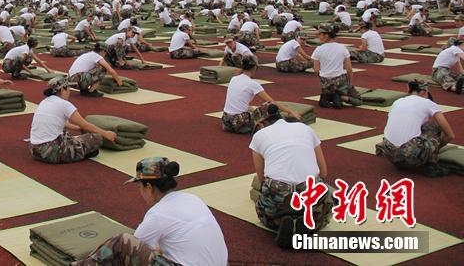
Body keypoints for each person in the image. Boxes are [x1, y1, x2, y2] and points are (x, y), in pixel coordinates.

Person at [75, 157, 228, 266]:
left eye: (140, 187)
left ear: (148, 188)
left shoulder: (159, 213)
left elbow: (132, 251)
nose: (140, 192)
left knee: (123, 243)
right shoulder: (193, 198)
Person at [249, 105, 333, 249]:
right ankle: (308, 221)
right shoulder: (306, 129)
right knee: (327, 210)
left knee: (263, 210)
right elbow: (324, 172)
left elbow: (261, 177)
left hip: (279, 190)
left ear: (260, 124)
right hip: (309, 188)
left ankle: (281, 221)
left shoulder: (259, 136)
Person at [376, 80, 455, 176]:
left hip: (389, 154)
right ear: (424, 92)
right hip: (409, 157)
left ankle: (402, 157)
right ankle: (431, 165)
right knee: (433, 127)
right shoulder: (428, 103)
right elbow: (450, 135)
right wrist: (434, 149)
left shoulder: (397, 102)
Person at [29, 77, 117, 163]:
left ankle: (77, 151)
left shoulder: (44, 102)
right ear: (63, 90)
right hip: (51, 153)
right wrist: (106, 134)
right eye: (68, 88)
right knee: (96, 138)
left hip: (35, 150)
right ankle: (78, 154)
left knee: (65, 133)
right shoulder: (64, 104)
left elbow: (60, 123)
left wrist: (77, 128)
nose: (69, 91)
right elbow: (85, 125)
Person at [222, 56, 300, 133]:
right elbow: (271, 101)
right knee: (270, 106)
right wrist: (290, 111)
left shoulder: (234, 79)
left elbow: (238, 102)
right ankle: (273, 124)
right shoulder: (253, 84)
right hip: (240, 122)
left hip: (226, 122)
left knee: (249, 107)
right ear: (254, 68)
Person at [311, 24, 361, 109]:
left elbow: (316, 70)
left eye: (320, 34)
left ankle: (328, 96)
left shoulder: (318, 49)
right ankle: (341, 97)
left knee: (329, 89)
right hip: (340, 81)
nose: (319, 36)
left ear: (326, 35)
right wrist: (349, 85)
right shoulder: (342, 48)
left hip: (325, 82)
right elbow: (349, 69)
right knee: (358, 100)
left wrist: (323, 80)